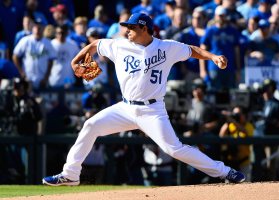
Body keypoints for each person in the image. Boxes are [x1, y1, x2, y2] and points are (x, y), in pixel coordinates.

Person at [42, 13, 245, 186]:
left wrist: (213, 57)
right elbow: (96, 44)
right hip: (125, 108)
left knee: (174, 149)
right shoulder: (119, 46)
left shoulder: (166, 47)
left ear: (144, 29)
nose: (127, 30)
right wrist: (75, 60)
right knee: (90, 125)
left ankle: (225, 172)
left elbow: (193, 50)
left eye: (131, 27)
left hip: (152, 110)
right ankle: (70, 175)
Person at [219, 106, 254, 181]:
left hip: (244, 162)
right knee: (229, 188)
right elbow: (221, 136)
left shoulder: (249, 125)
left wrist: (234, 122)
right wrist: (228, 121)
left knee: (246, 185)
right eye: (234, 114)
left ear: (244, 115)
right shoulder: (230, 125)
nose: (236, 116)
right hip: (231, 162)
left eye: (238, 114)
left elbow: (246, 133)